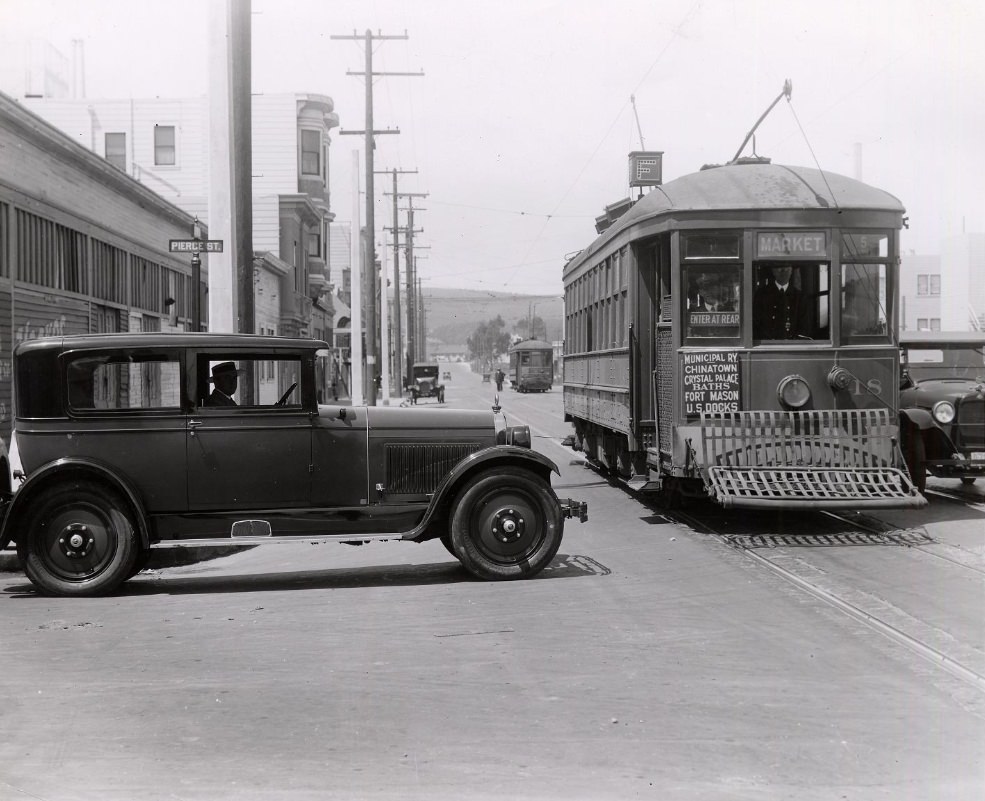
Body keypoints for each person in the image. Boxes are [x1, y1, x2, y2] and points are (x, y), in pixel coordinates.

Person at [753, 264, 810, 339]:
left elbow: (804, 326)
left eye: (787, 268)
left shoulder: (800, 297)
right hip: (768, 345)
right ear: (773, 271)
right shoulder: (762, 295)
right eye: (779, 267)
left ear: (791, 271)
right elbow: (756, 324)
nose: (783, 271)